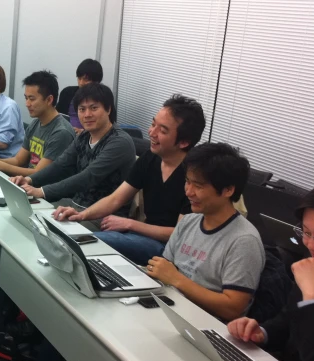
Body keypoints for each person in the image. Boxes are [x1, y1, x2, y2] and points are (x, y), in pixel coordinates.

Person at [53, 94, 206, 265]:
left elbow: (179, 234)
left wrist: (130, 224)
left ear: (184, 142)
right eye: (153, 124)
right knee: (66, 231)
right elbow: (116, 198)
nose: (151, 133)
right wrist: (81, 215)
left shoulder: (195, 178)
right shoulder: (151, 158)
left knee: (87, 242)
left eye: (162, 130)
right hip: (141, 236)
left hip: (168, 249)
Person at [146, 142, 265, 320]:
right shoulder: (188, 221)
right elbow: (164, 271)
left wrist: (177, 279)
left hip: (205, 326)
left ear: (228, 190)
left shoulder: (244, 240)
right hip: (170, 308)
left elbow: (232, 309)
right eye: (187, 182)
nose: (188, 192)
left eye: (198, 186)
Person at [227, 188, 314, 361]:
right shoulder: (311, 266)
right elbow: (290, 320)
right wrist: (262, 332)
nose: (310, 245)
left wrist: (311, 300)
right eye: (306, 233)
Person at [12, 83, 136, 214]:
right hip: (74, 206)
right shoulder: (84, 136)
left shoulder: (119, 142)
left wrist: (42, 191)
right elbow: (61, 164)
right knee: (25, 213)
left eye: (94, 108)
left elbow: (88, 177)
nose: (87, 114)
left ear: (108, 109)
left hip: (103, 216)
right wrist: (30, 180)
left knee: (40, 222)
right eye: (82, 109)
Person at [0, 70, 74, 176]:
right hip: (27, 183)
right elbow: (18, 160)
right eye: (26, 98)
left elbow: (38, 173)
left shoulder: (61, 133)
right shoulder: (35, 124)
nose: (27, 104)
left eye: (32, 99)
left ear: (49, 100)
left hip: (43, 189)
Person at [56, 59, 103, 133]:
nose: (81, 83)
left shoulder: (103, 97)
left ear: (97, 81)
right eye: (79, 78)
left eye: (86, 80)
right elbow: (57, 116)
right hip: (64, 133)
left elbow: (107, 128)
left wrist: (85, 133)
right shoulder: (67, 93)